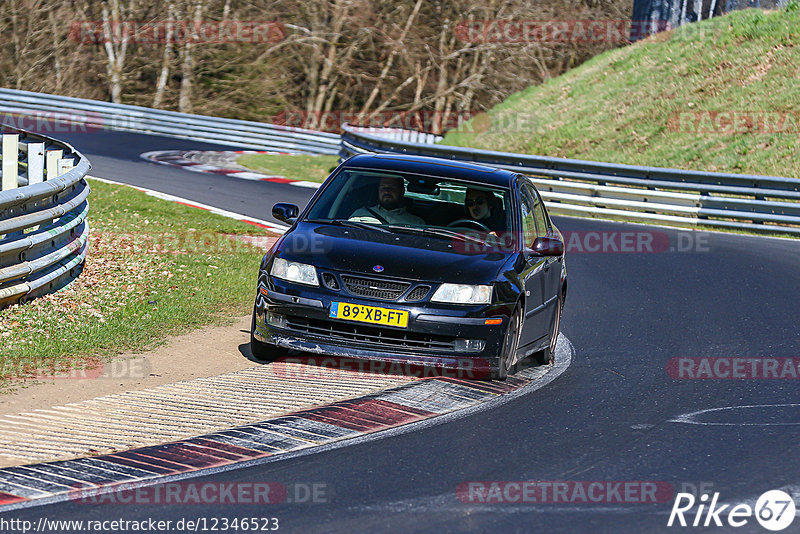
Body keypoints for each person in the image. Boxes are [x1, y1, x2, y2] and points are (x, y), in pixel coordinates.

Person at [350, 176, 425, 226]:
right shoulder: (360, 214)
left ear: (402, 191)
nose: (386, 192)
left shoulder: (417, 223)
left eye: (391, 188)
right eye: (383, 188)